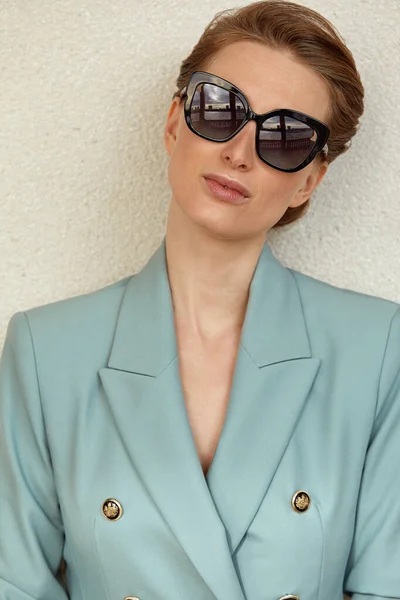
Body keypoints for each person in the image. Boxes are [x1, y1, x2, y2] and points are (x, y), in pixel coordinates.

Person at [1, 1, 399, 599]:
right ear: (173, 123)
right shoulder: (45, 352)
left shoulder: (376, 348)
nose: (239, 151)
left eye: (284, 136)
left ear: (309, 181)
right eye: (220, 108)